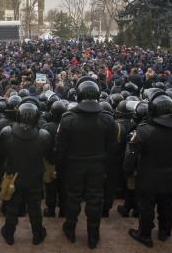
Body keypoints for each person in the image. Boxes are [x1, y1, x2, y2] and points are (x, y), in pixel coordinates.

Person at [56, 77, 117, 249]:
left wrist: (61, 168)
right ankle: (93, 235)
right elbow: (112, 149)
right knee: (94, 200)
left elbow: (60, 149)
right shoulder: (108, 119)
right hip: (98, 166)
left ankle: (70, 228)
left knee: (73, 198)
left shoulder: (68, 119)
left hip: (74, 166)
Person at [124, 89, 172, 248]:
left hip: (147, 175)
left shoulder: (144, 130)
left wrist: (128, 171)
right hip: (170, 175)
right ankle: (164, 232)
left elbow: (131, 154)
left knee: (146, 207)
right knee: (167, 205)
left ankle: (145, 234)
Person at [0, 102, 52, 245]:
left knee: (12, 207)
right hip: (34, 177)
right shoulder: (43, 136)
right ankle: (37, 234)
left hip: (13, 177)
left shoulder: (7, 133)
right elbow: (46, 154)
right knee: (34, 207)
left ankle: (9, 234)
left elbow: (3, 153)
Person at [43, 100, 67, 218]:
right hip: (64, 163)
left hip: (50, 163)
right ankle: (63, 210)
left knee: (50, 186)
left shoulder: (46, 127)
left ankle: (51, 209)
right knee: (63, 186)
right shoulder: (68, 126)